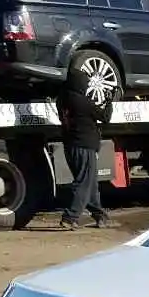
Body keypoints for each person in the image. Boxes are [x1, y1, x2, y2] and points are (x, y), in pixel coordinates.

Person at [57, 65, 113, 229]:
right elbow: (105, 117)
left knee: (90, 183)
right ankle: (70, 217)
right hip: (85, 146)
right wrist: (109, 101)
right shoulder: (82, 101)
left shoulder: (62, 99)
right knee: (84, 183)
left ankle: (99, 215)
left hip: (70, 146)